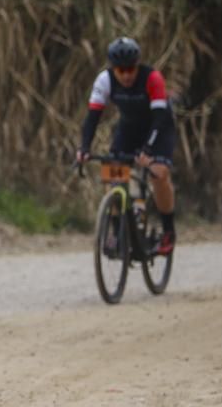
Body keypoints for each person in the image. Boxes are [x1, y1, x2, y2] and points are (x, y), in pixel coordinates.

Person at [75, 37, 178, 255]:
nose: (127, 75)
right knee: (113, 173)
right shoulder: (104, 80)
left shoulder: (152, 78)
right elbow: (92, 117)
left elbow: (159, 117)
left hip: (159, 129)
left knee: (158, 174)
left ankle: (168, 230)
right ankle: (115, 231)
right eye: (121, 71)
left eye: (131, 69)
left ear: (138, 65)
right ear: (113, 69)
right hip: (129, 130)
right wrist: (84, 148)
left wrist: (148, 150)